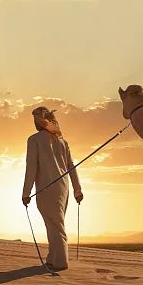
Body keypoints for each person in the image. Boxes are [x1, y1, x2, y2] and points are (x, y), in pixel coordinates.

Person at [22, 106, 83, 271]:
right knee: (55, 223)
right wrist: (77, 190)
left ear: (39, 121)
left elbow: (31, 167)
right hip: (63, 187)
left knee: (55, 224)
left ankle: (61, 262)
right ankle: (53, 258)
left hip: (46, 187)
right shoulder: (63, 141)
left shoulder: (34, 140)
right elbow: (71, 167)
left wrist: (26, 193)